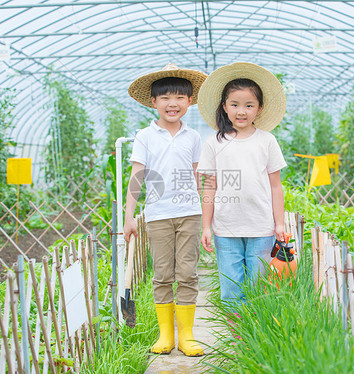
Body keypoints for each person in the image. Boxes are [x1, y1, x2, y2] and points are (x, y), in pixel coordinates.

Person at [124, 63, 207, 356]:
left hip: (190, 214)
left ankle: (187, 336)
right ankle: (165, 336)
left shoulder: (194, 137)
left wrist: (208, 217)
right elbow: (137, 176)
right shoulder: (145, 136)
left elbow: (197, 178)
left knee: (187, 273)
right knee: (162, 274)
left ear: (189, 102)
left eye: (180, 98)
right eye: (166, 98)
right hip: (158, 215)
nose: (173, 104)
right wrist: (129, 216)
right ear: (154, 102)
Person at [197, 62, 287, 307]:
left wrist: (279, 223)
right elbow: (209, 186)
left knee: (259, 285)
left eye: (249, 105)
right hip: (226, 227)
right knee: (231, 286)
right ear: (224, 107)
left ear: (259, 109)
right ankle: (236, 336)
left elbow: (276, 186)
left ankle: (255, 336)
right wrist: (206, 226)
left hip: (261, 226)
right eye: (234, 105)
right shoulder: (214, 143)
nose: (241, 111)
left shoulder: (266, 141)